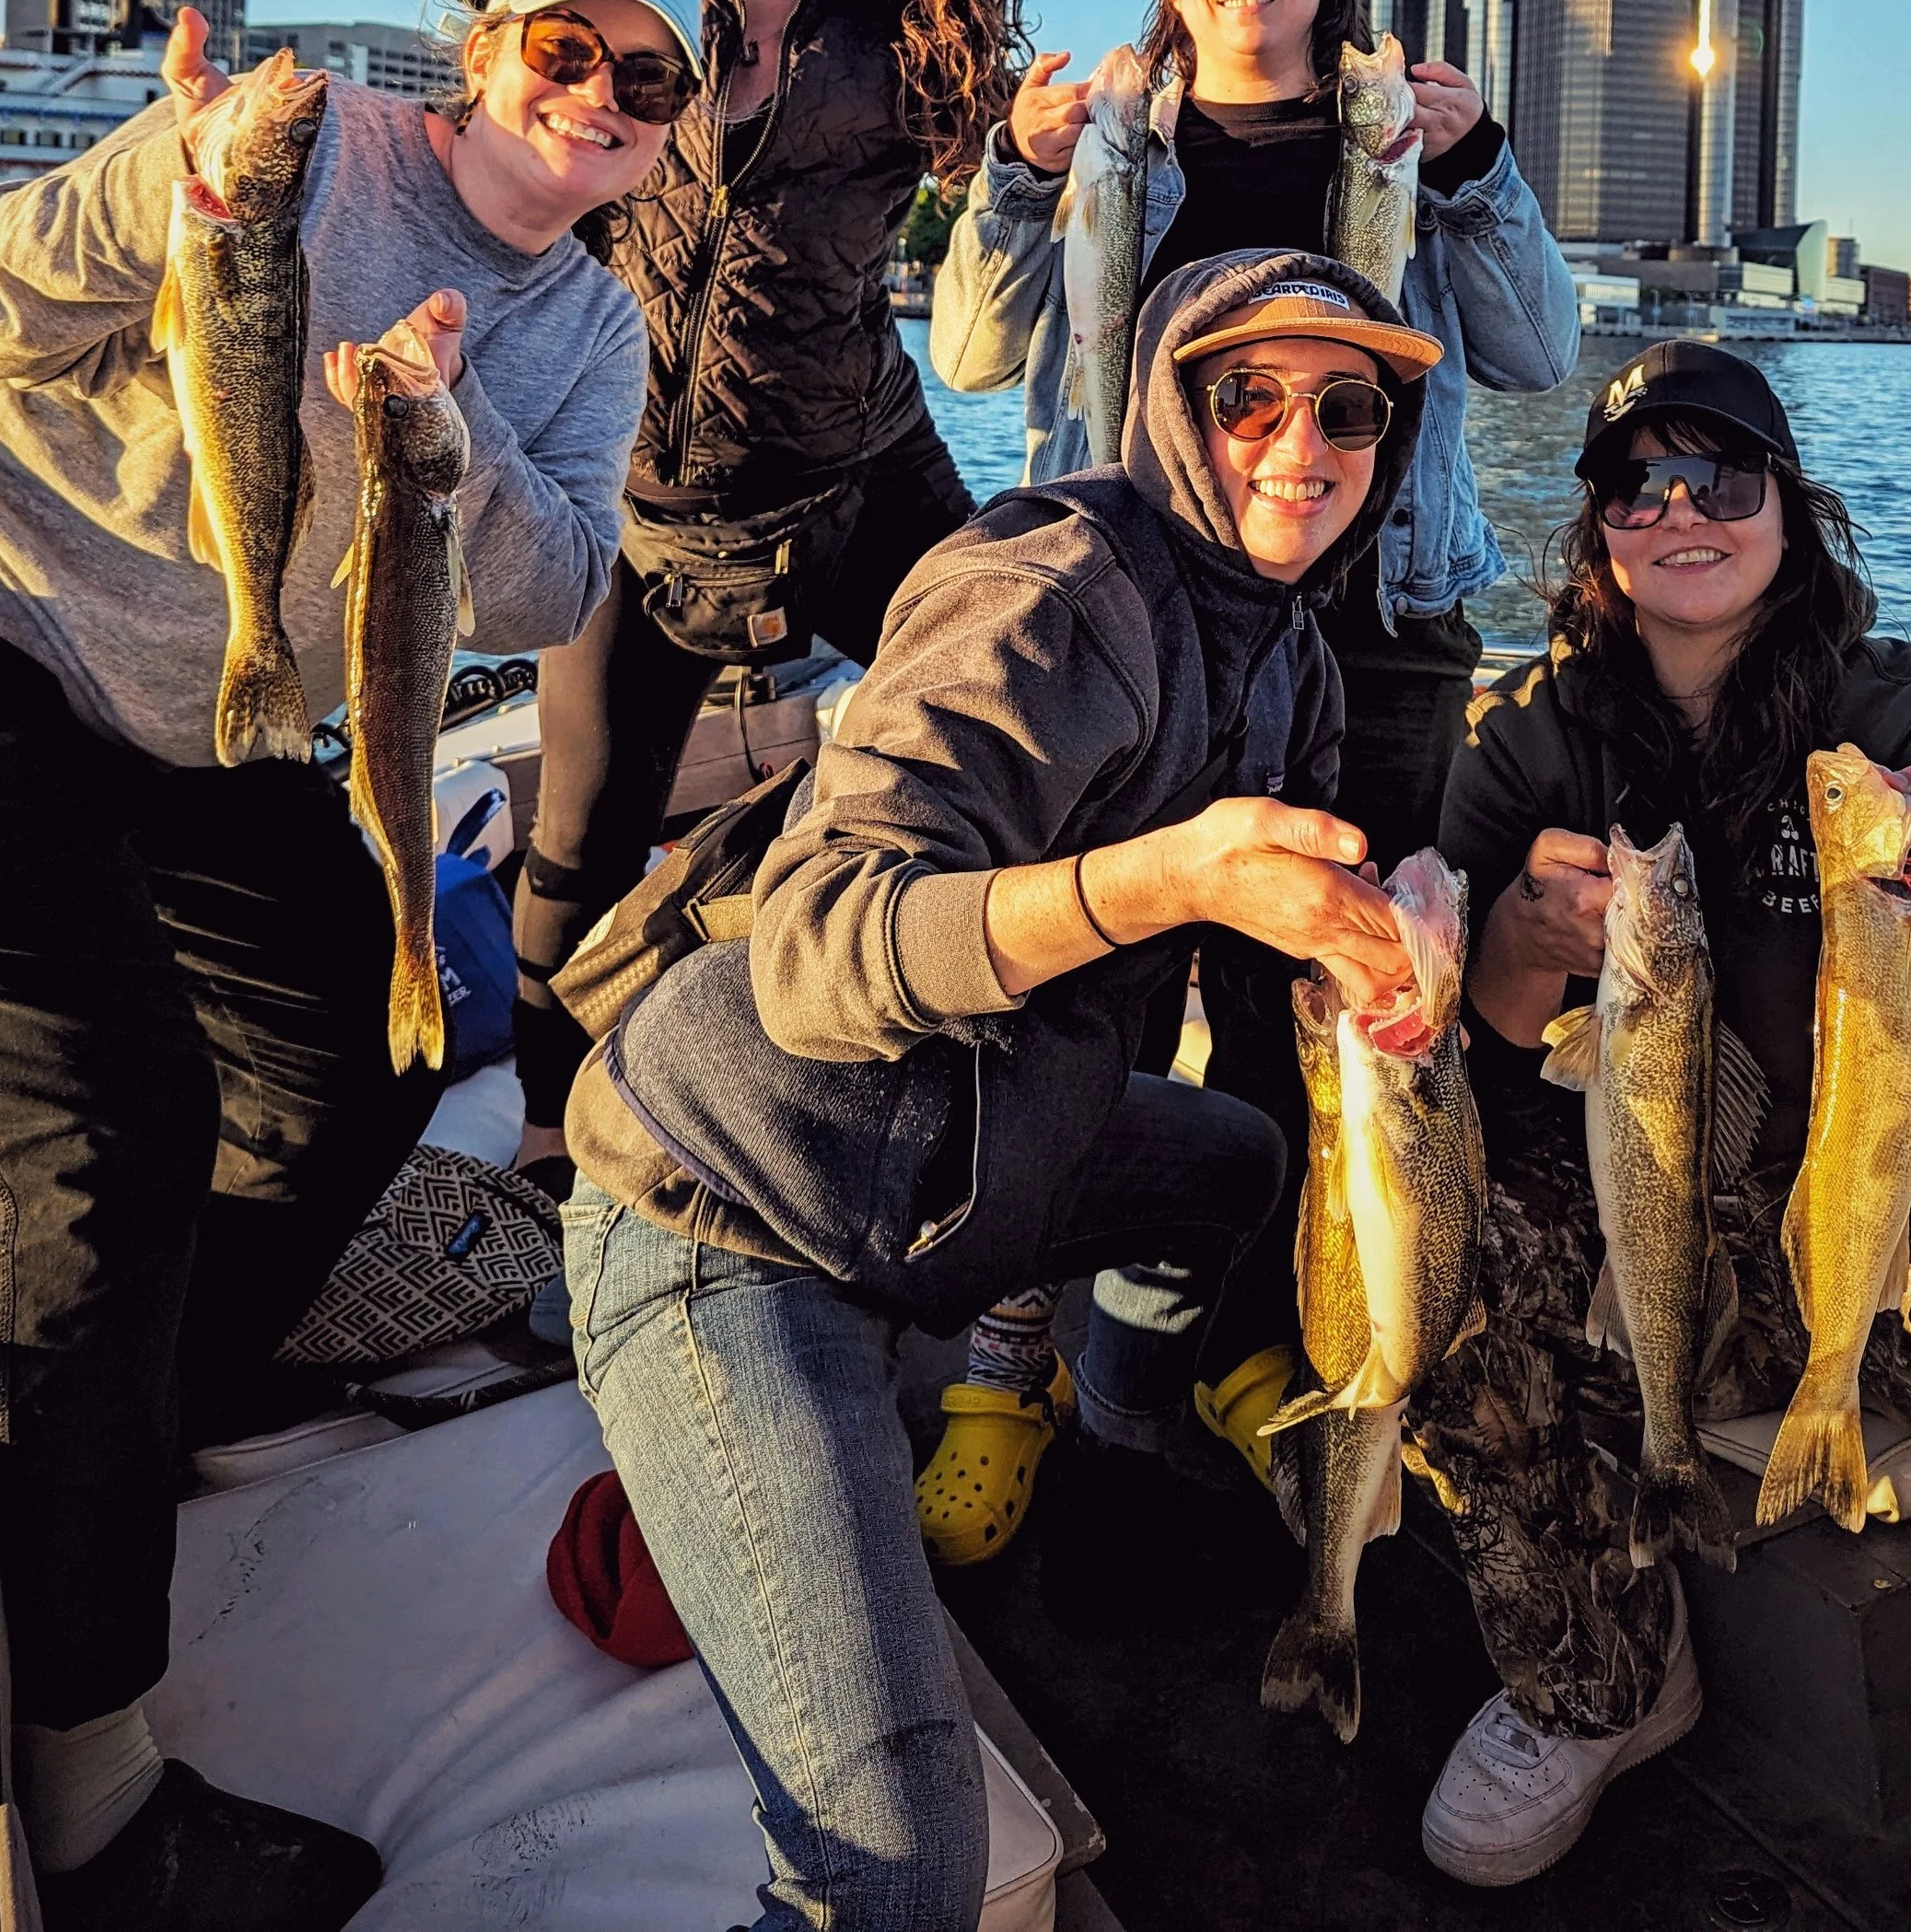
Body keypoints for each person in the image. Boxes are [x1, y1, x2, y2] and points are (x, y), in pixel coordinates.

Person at [0, 0, 685, 1930]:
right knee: (105, 1129)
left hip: (207, 708)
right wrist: (168, 182)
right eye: (563, 52)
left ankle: (158, 1404)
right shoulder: (303, 147)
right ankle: (92, 1789)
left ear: (673, 133)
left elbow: (540, 587)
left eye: (644, 81)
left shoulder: (592, 333)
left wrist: (444, 403)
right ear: (482, 49)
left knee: (346, 1031)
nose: (593, 99)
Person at [561, 250, 1440, 1930]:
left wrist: (1389, 968)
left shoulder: (1296, 665)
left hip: (970, 1168)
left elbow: (1278, 966)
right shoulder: (1052, 589)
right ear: (1174, 405)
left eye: (1346, 407)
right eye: (1249, 395)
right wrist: (1163, 879)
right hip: (735, 1204)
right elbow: (818, 955)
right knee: (898, 1875)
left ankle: (1108, 1464)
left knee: (1236, 1161)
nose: (1299, 444)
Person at [84, 0, 1025, 1173]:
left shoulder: (903, 56)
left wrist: (1044, 141)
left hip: (864, 471)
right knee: (578, 843)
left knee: (1008, 687)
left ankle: (933, 1043)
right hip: (646, 501)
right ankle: (539, 1140)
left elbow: (1033, 197)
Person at [1420, 337, 1911, 1910]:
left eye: (1727, 474)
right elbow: (1458, 1095)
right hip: (1648, 1235)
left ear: (1794, 509)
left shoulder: (1907, 731)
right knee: (1440, 1242)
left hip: (1885, 1230)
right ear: (1598, 527)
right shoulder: (1522, 744)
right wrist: (1507, 954)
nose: (1682, 506)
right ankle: (1601, 1676)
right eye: (1639, 480)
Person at [919, 0, 1578, 1553]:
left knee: (1328, 987)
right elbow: (978, 353)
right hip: (1135, 612)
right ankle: (1012, 1357)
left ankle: (1274, 1330)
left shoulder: (1402, 142)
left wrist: (1482, 162)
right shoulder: (1109, 144)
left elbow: (1534, 354)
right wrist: (1012, 166)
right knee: (1095, 988)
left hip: (1377, 618)